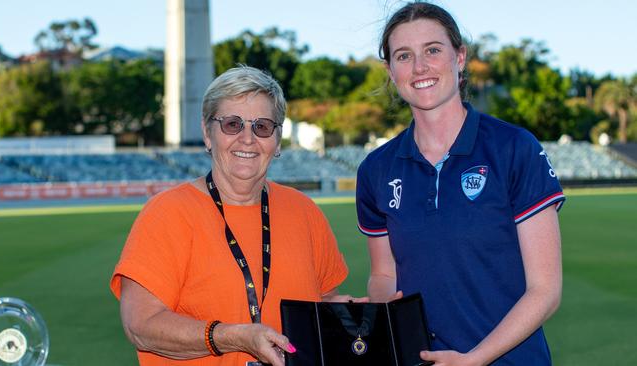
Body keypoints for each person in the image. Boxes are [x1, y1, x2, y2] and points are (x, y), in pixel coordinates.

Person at [356, 2, 565, 365]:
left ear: (460, 56)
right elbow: (384, 274)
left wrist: (475, 358)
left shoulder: (514, 148)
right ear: (390, 71)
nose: (420, 67)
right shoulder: (375, 169)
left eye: (433, 50)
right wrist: (381, 307)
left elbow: (545, 290)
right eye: (404, 56)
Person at [111, 66, 360, 366]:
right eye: (232, 124)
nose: (247, 138)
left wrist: (354, 316)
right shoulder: (167, 213)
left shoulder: (305, 212)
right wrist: (233, 336)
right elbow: (141, 325)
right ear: (207, 133)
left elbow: (321, 305)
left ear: (277, 140)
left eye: (263, 127)